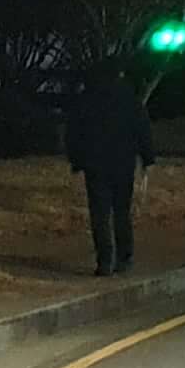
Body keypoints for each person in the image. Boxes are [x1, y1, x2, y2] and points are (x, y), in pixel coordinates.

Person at [65, 67, 157, 276]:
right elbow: (142, 130)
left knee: (99, 213)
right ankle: (124, 257)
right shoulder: (130, 101)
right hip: (123, 163)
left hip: (95, 164)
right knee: (121, 212)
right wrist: (147, 159)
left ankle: (104, 260)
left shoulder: (86, 100)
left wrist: (76, 161)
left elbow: (74, 132)